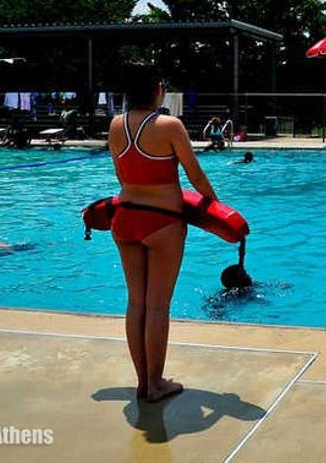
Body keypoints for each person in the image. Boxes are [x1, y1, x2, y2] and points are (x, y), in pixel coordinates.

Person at [110, 63, 220, 402]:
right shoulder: (170, 125)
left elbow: (121, 176)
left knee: (136, 303)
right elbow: (196, 178)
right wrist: (217, 209)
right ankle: (156, 385)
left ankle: (143, 381)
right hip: (162, 222)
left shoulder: (116, 125)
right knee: (157, 306)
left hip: (125, 218)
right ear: (158, 89)